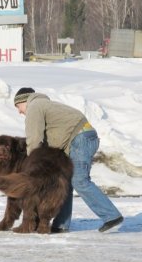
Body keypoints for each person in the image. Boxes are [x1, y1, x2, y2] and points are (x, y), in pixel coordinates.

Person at [13, 87, 124, 233]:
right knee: (64, 182)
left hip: (80, 138)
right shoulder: (44, 105)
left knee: (79, 180)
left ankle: (111, 216)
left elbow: (34, 140)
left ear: (23, 101)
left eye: (18, 107)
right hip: (80, 139)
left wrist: (31, 166)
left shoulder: (34, 107)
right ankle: (61, 225)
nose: (19, 111)